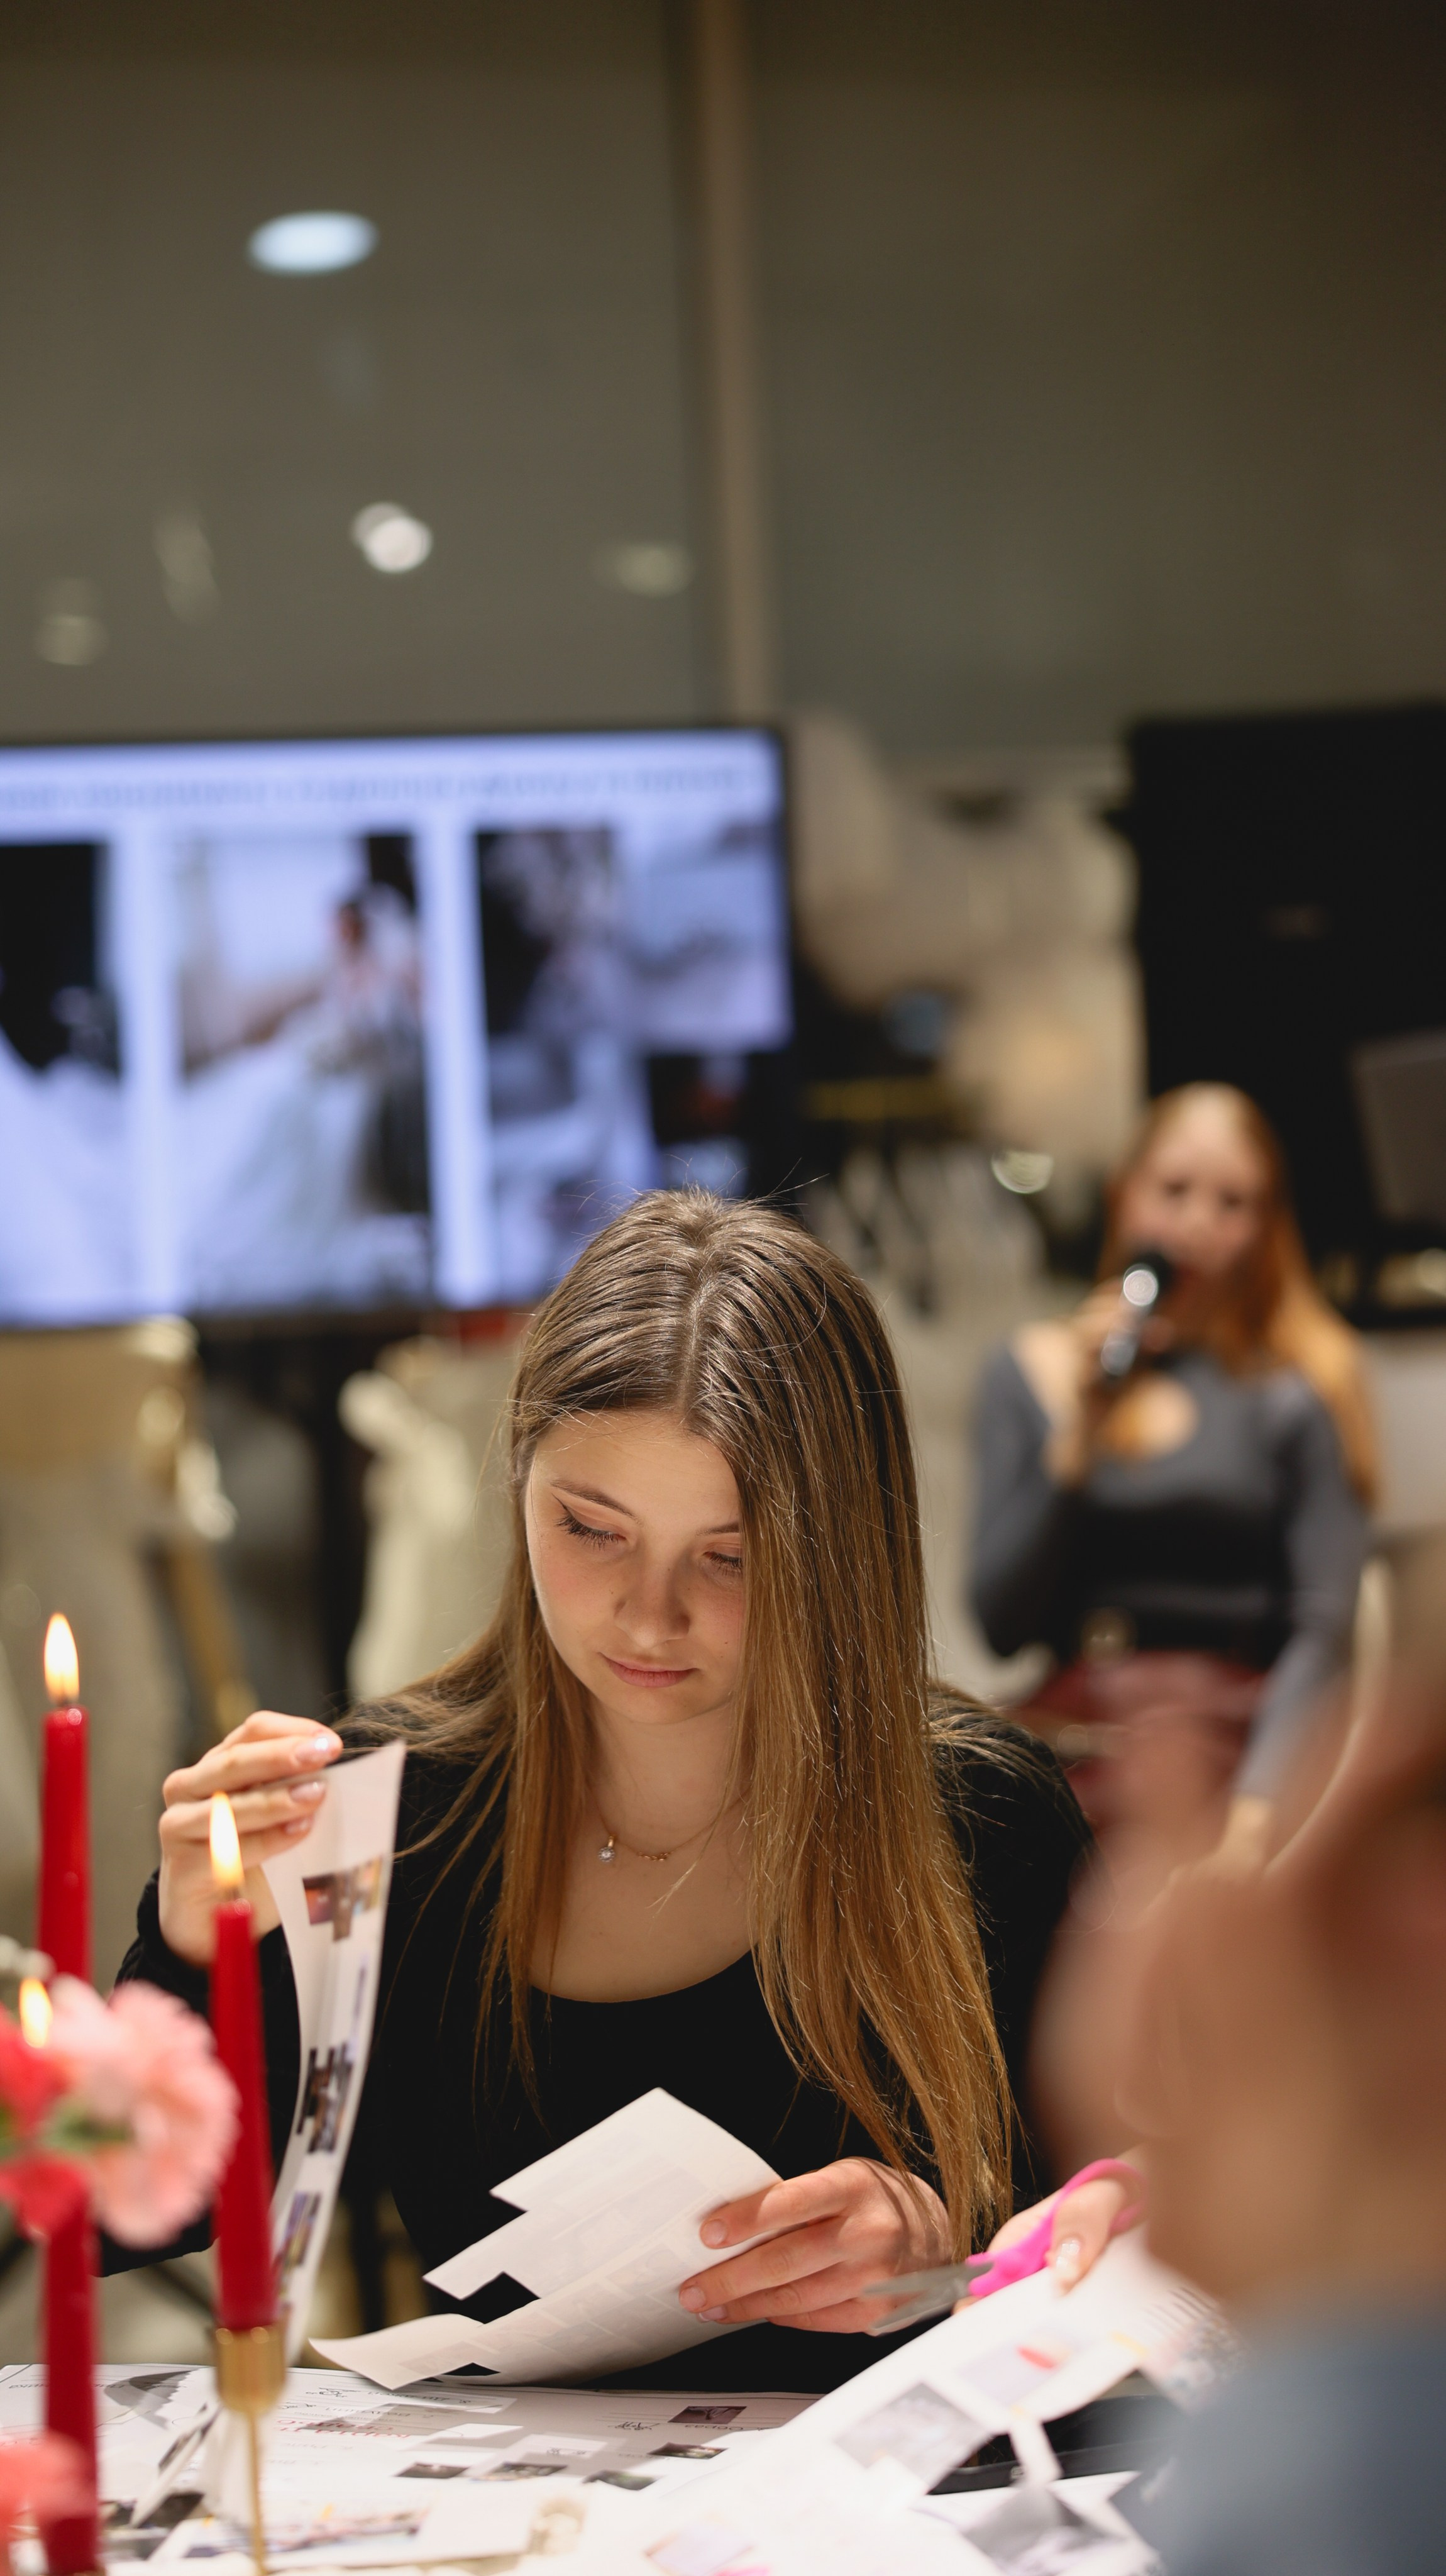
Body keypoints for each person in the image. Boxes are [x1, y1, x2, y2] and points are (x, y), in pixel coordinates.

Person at [112, 1189, 1090, 2392]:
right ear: (520, 1485)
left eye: (730, 1556)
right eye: (590, 1528)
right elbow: (128, 2217)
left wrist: (953, 2260)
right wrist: (189, 1951)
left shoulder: (980, 1819)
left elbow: (1130, 2246)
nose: (648, 1614)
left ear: (843, 1548)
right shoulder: (396, 1814)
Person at [970, 1083, 1376, 1826]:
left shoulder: (1296, 1389)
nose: (1195, 1224)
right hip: (1075, 1729)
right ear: (1125, 1194)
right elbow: (998, 1623)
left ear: (1266, 1225)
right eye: (1174, 1190)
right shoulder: (1032, 1371)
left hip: (1232, 1739)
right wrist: (1077, 1438)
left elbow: (1323, 1637)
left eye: (1232, 1203)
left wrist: (1255, 1819)